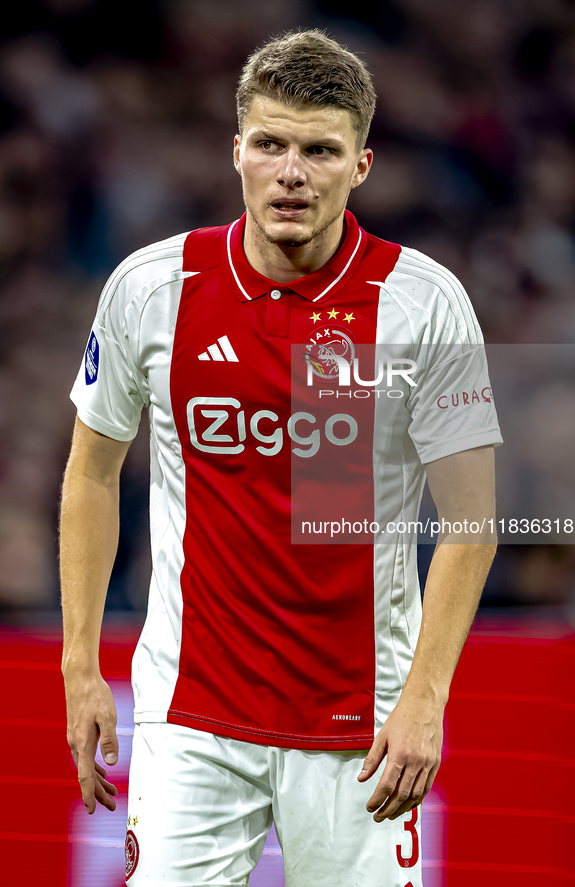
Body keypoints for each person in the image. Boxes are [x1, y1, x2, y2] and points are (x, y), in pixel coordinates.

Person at [60, 29, 501, 887]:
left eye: (318, 150)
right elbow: (89, 471)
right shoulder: (151, 289)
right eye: (269, 144)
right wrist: (81, 666)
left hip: (360, 724)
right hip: (191, 716)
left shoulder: (422, 304)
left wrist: (425, 696)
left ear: (360, 165)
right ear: (237, 152)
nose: (290, 172)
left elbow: (472, 519)